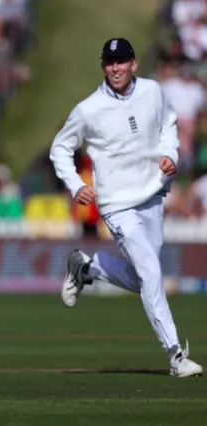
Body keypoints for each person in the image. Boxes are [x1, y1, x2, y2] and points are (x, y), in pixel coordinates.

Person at [50, 38, 203, 378]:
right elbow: (60, 149)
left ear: (134, 64)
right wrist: (77, 186)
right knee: (151, 272)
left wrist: (171, 155)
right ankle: (176, 355)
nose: (115, 68)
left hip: (152, 196)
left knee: (141, 278)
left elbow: (169, 125)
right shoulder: (88, 109)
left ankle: (87, 268)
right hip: (116, 204)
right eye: (109, 62)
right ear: (103, 66)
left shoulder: (153, 92)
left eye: (121, 61)